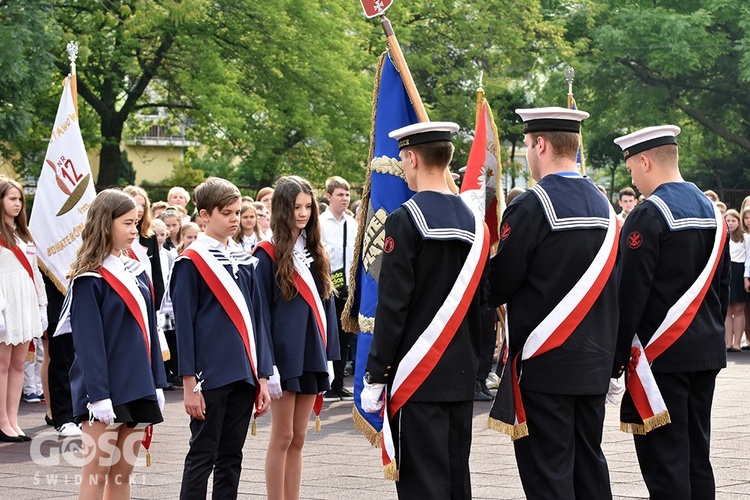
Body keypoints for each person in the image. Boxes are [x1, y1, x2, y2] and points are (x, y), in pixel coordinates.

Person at [487, 108, 618, 499]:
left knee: (549, 474)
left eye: (528, 145)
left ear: (540, 144)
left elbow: (499, 285)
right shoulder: (605, 205)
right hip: (595, 364)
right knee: (588, 469)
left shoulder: (531, 206)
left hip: (546, 364)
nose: (528, 154)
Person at [361, 122, 489, 498]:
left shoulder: (405, 219)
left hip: (418, 373)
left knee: (421, 484)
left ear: (413, 158)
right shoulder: (475, 224)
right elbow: (481, 303)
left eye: (402, 159)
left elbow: (393, 305)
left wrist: (376, 372)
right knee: (455, 480)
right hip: (461, 373)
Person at [613, 125, 729, 499]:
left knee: (665, 462)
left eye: (632, 167)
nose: (633, 175)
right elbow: (721, 287)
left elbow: (629, 295)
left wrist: (615, 358)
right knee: (698, 457)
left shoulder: (648, 215)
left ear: (645, 161)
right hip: (706, 350)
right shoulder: (713, 211)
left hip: (661, 359)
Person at [170, 177, 272, 500]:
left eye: (237, 212)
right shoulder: (190, 262)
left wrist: (264, 378)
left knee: (232, 458)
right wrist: (188, 384)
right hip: (208, 377)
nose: (234, 219)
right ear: (203, 215)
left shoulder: (245, 259)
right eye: (226, 213)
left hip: (244, 373)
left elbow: (259, 322)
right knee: (202, 455)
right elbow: (184, 327)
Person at [63, 189, 167, 498]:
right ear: (106, 224)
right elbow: (88, 343)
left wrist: (157, 382)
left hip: (138, 384)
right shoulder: (88, 279)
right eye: (127, 223)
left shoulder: (136, 273)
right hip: (104, 389)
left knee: (123, 472)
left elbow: (151, 332)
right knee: (97, 470)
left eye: (136, 222)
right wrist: (98, 395)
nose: (135, 230)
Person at [253, 175, 340, 500]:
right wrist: (267, 366)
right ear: (281, 209)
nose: (302, 213)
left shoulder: (317, 254)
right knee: (282, 435)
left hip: (311, 353)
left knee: (300, 436)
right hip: (281, 358)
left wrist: (330, 355)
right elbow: (259, 315)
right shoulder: (265, 254)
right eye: (295, 207)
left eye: (307, 206)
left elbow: (327, 308)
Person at [0, 178, 48, 442]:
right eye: (11, 199)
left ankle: (13, 420)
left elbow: (35, 274)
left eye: (20, 199)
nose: (17, 204)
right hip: (5, 303)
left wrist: (42, 306)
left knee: (19, 364)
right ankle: (2, 421)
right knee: (2, 364)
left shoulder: (24, 234)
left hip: (25, 301)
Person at [319, 176, 357, 402]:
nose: (344, 198)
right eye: (340, 194)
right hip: (328, 285)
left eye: (347, 194)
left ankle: (339, 384)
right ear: (329, 196)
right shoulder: (321, 224)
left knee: (345, 336)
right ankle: (326, 383)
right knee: (328, 334)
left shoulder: (351, 224)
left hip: (347, 288)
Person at [124, 185, 166, 304]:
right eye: (136, 204)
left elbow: (156, 271)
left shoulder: (150, 236)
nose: (141, 209)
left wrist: (159, 304)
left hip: (147, 293)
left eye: (143, 205)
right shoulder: (116, 234)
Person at [722, 209, 749, 351]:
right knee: (727, 309)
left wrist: (746, 277)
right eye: (728, 220)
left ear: (738, 222)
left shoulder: (745, 237)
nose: (731, 223)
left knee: (739, 308)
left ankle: (737, 343)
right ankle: (728, 342)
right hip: (726, 271)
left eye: (733, 220)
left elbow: (748, 259)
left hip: (739, 272)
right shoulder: (721, 235)